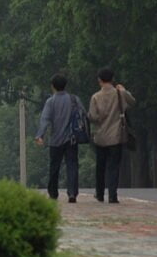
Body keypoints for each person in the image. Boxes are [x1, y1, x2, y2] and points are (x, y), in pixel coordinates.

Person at [35, 74, 87, 203]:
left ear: (52, 86)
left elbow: (45, 119)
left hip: (56, 140)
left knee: (54, 166)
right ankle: (72, 193)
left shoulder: (50, 102)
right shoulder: (74, 99)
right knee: (72, 165)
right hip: (72, 139)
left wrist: (40, 135)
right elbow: (84, 114)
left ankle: (53, 193)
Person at [88, 67, 135, 204]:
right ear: (113, 79)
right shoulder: (119, 94)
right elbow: (132, 102)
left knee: (100, 166)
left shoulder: (95, 97)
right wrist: (124, 90)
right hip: (117, 135)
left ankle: (100, 193)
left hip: (101, 136)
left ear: (99, 80)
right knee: (114, 166)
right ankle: (113, 195)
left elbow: (93, 117)